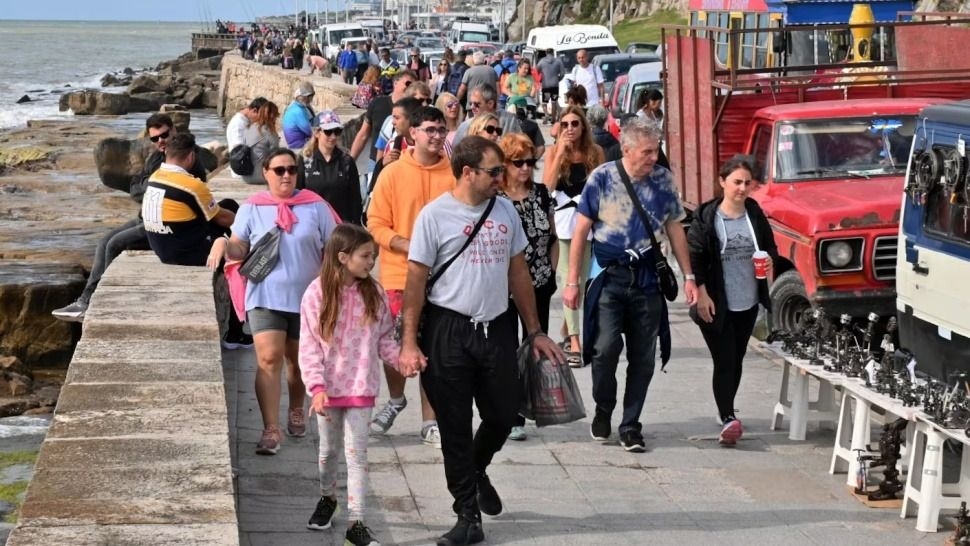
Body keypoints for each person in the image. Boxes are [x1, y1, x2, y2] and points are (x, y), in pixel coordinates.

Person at [397, 136, 565, 546]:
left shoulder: (504, 209)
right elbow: (416, 282)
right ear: (468, 172)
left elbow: (519, 273)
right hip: (448, 330)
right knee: (454, 424)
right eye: (494, 171)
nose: (501, 178)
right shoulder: (434, 217)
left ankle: (476, 470)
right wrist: (408, 342)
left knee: (505, 414)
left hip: (497, 327)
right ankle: (467, 515)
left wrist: (536, 331)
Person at [563, 118, 698, 453]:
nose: (654, 157)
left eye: (656, 150)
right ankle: (604, 406)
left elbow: (675, 227)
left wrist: (690, 276)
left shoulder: (663, 180)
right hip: (610, 277)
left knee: (643, 356)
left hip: (647, 280)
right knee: (605, 348)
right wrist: (572, 282)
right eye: (647, 151)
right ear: (626, 150)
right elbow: (581, 231)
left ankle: (631, 425)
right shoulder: (603, 178)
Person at [221, 148, 339, 455]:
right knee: (268, 359)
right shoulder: (252, 208)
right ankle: (270, 429)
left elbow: (336, 246)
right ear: (266, 173)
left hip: (307, 300)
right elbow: (239, 247)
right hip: (264, 296)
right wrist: (223, 244)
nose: (286, 175)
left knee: (297, 363)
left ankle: (296, 408)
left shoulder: (315, 206)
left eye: (291, 169)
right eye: (279, 170)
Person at [299, 224, 407, 546]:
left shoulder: (373, 292)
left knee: (357, 456)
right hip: (327, 393)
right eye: (365, 256)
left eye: (373, 255)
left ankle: (356, 523)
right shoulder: (316, 294)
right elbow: (309, 347)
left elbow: (384, 337)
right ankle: (327, 497)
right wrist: (316, 388)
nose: (371, 261)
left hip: (361, 388)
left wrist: (402, 361)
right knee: (328, 451)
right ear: (343, 257)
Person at [52, 114, 207, 323]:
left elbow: (165, 192)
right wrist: (151, 188)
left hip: (163, 224)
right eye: (155, 138)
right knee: (104, 241)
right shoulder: (156, 158)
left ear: (174, 131)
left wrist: (150, 187)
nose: (160, 141)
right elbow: (135, 187)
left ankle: (94, 302)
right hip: (146, 216)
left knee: (115, 245)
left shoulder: (188, 160)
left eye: (164, 135)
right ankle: (85, 301)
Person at [366, 106, 453, 447]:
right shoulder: (391, 174)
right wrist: (406, 243)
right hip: (399, 275)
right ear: (412, 133)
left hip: (444, 277)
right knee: (394, 345)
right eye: (429, 129)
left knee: (433, 348)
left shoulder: (456, 175)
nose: (436, 136)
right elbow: (374, 224)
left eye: (440, 130)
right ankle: (396, 399)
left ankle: (430, 420)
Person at [688, 156, 777, 446]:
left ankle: (727, 408)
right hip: (715, 301)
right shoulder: (707, 217)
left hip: (747, 300)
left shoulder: (754, 213)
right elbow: (696, 257)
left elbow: (769, 247)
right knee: (724, 358)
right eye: (736, 182)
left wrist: (769, 263)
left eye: (746, 183)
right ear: (722, 182)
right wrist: (701, 294)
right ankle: (728, 417)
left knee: (736, 359)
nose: (741, 188)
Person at [498, 133, 558, 442]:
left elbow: (553, 237)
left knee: (534, 346)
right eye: (518, 162)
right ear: (505, 165)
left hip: (540, 283)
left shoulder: (543, 194)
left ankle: (532, 404)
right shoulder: (496, 199)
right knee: (508, 349)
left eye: (530, 162)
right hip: (505, 287)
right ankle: (513, 414)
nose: (525, 168)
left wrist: (552, 273)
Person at [542, 105, 603, 366]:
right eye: (565, 124)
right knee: (570, 277)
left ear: (583, 127)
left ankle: (569, 328)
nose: (570, 129)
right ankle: (576, 339)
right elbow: (547, 187)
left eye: (575, 124)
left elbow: (604, 184)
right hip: (566, 223)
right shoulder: (553, 152)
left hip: (590, 222)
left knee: (585, 279)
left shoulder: (596, 152)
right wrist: (559, 155)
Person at [142, 133, 235, 265]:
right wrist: (246, 223)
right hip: (187, 253)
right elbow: (222, 218)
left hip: (162, 249)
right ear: (191, 156)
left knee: (225, 205)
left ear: (167, 152)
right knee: (230, 210)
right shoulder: (191, 185)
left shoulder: (154, 177)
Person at [298, 110, 362, 224]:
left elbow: (355, 199)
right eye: (328, 131)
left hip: (341, 228)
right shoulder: (305, 161)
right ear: (317, 133)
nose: (333, 136)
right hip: (313, 224)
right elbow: (297, 194)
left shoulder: (347, 162)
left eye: (337, 131)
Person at [350, 70, 417, 175]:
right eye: (408, 83)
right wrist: (350, 162)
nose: (411, 87)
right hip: (375, 162)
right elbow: (363, 134)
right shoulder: (377, 103)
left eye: (414, 85)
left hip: (403, 163)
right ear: (395, 83)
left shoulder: (416, 110)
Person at [452, 83, 522, 146]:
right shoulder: (465, 126)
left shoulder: (509, 120)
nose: (472, 107)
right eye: (471, 103)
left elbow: (519, 146)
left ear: (490, 104)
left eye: (477, 104)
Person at [240, 100, 281, 185]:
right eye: (276, 117)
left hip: (246, 176)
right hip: (261, 177)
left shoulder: (248, 127)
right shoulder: (269, 132)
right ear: (273, 117)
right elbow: (276, 155)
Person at [226, 97, 268, 176]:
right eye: (261, 117)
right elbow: (239, 152)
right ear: (254, 110)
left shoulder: (245, 121)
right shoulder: (238, 125)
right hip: (243, 172)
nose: (262, 121)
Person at [282, 81, 316, 150]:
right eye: (308, 97)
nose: (310, 100)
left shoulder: (297, 106)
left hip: (298, 141)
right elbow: (309, 131)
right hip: (298, 144)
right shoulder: (298, 111)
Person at [535, 48, 565, 125]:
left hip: (546, 85)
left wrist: (541, 78)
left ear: (546, 53)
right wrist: (558, 79)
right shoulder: (558, 61)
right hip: (555, 85)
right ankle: (553, 118)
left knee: (545, 102)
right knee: (554, 102)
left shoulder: (542, 61)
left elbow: (536, 71)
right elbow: (562, 73)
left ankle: (546, 115)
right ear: (553, 52)